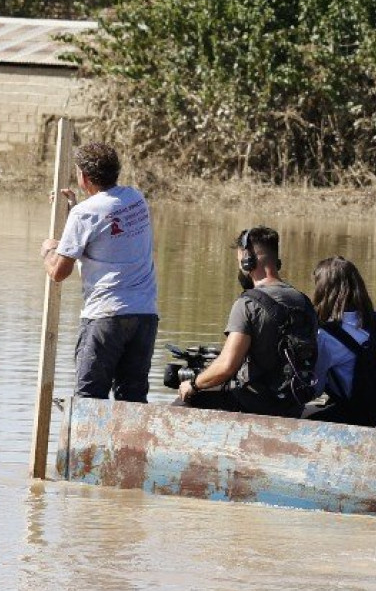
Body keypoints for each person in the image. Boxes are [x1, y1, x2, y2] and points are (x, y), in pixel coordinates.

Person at [40, 142, 158, 402]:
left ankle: (85, 444)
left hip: (106, 316)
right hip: (144, 316)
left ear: (84, 177)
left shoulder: (84, 214)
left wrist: (48, 250)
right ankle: (129, 444)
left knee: (88, 400)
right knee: (133, 400)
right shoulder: (136, 199)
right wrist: (72, 210)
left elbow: (59, 272)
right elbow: (106, 228)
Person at [173, 226, 317, 418]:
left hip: (254, 402)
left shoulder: (247, 304)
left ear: (248, 261)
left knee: (182, 403)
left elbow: (227, 366)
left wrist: (193, 384)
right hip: (292, 404)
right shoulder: (305, 303)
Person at [304, 256, 376, 426]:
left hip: (356, 416)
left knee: (299, 418)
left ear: (322, 291)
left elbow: (315, 388)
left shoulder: (325, 336)